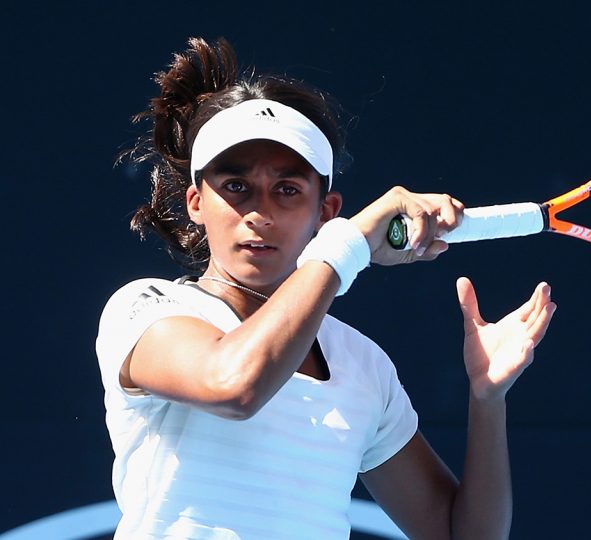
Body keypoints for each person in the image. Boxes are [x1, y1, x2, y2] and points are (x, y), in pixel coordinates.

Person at [96, 37, 556, 539]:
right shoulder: (144, 311)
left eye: (288, 190)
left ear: (325, 211)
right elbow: (234, 386)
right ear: (195, 202)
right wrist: (348, 243)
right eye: (235, 186)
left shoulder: (365, 366)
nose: (259, 212)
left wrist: (488, 399)